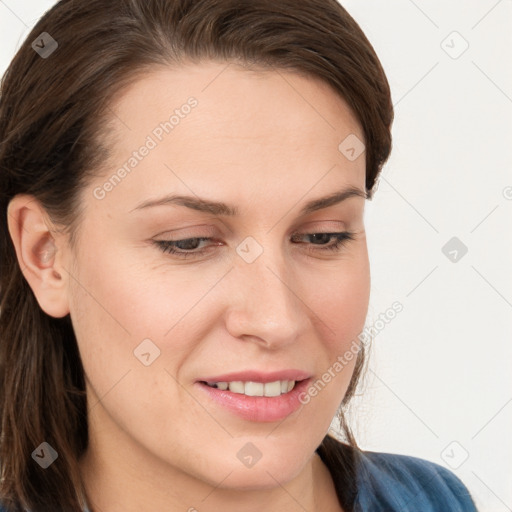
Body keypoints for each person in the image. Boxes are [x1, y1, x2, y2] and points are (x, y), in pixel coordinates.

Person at [0, 0, 479, 511]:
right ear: (46, 255)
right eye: (187, 242)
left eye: (322, 236)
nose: (276, 320)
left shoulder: (433, 500)